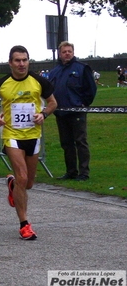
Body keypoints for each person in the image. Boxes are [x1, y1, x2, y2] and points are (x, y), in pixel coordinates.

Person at [0, 45, 57, 240]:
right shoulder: (1, 84)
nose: (21, 64)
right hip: (11, 135)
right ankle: (24, 224)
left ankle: (12, 184)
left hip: (33, 136)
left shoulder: (39, 82)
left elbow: (53, 103)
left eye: (24, 60)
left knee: (28, 183)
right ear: (10, 63)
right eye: (17, 60)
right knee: (23, 177)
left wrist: (43, 114)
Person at [48, 41, 97, 182]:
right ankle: (71, 171)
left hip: (77, 113)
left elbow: (91, 89)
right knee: (66, 144)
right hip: (61, 113)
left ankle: (84, 173)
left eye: (69, 51)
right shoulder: (54, 72)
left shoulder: (82, 68)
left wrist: (83, 104)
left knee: (80, 142)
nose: (67, 53)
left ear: (73, 52)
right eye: (64, 51)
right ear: (60, 53)